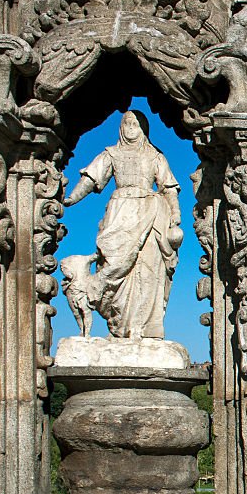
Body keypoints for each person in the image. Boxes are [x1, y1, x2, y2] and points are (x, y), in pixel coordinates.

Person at [62, 110, 183, 339]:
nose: (130, 128)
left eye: (135, 124)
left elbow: (168, 187)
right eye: (126, 123)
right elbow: (91, 178)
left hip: (150, 213)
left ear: (143, 129)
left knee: (146, 270)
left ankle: (143, 329)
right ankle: (119, 327)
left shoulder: (155, 156)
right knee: (114, 265)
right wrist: (71, 197)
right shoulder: (112, 154)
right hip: (120, 214)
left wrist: (175, 213)